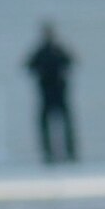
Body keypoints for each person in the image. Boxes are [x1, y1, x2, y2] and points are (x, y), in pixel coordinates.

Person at [27, 21, 80, 164]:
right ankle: (48, 154)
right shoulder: (41, 52)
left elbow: (71, 62)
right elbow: (29, 66)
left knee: (66, 124)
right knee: (46, 125)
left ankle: (70, 153)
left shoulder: (58, 50)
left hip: (59, 93)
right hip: (46, 93)